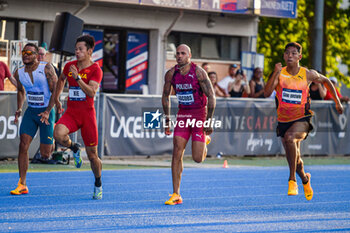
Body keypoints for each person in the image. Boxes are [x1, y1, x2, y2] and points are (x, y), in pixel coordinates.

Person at [264, 42, 343, 201]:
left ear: (299, 57)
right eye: (287, 53)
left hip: (302, 118)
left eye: (294, 53)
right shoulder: (280, 74)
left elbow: (326, 81)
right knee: (297, 160)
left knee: (290, 138)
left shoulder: (307, 74)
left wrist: (337, 101)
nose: (290, 56)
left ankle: (292, 180)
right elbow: (266, 93)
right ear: (284, 56)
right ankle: (305, 180)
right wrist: (274, 73)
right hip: (283, 121)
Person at [162, 44, 216, 205]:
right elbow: (165, 97)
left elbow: (212, 96)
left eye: (183, 53)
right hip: (183, 115)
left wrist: (209, 121)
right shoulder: (171, 74)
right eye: (177, 53)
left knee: (197, 158)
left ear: (189, 55)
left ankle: (204, 140)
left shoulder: (199, 72)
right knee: (177, 150)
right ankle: (176, 193)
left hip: (199, 114)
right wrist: (167, 119)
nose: (179, 56)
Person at [53, 35, 103, 200]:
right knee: (58, 134)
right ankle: (74, 147)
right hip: (72, 113)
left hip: (87, 115)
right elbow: (61, 80)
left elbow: (91, 92)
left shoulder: (96, 69)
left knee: (92, 156)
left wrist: (77, 78)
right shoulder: (69, 66)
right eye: (76, 49)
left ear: (89, 51)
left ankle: (98, 183)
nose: (77, 52)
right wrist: (57, 99)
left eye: (81, 49)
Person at [10, 43, 57, 195]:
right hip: (31, 112)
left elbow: (56, 90)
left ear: (37, 55)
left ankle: (56, 138)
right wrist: (19, 108)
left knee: (45, 154)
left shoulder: (47, 68)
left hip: (46, 111)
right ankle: (22, 183)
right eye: (24, 52)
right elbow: (20, 91)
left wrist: (49, 110)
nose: (26, 55)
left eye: (29, 52)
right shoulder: (19, 72)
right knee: (23, 144)